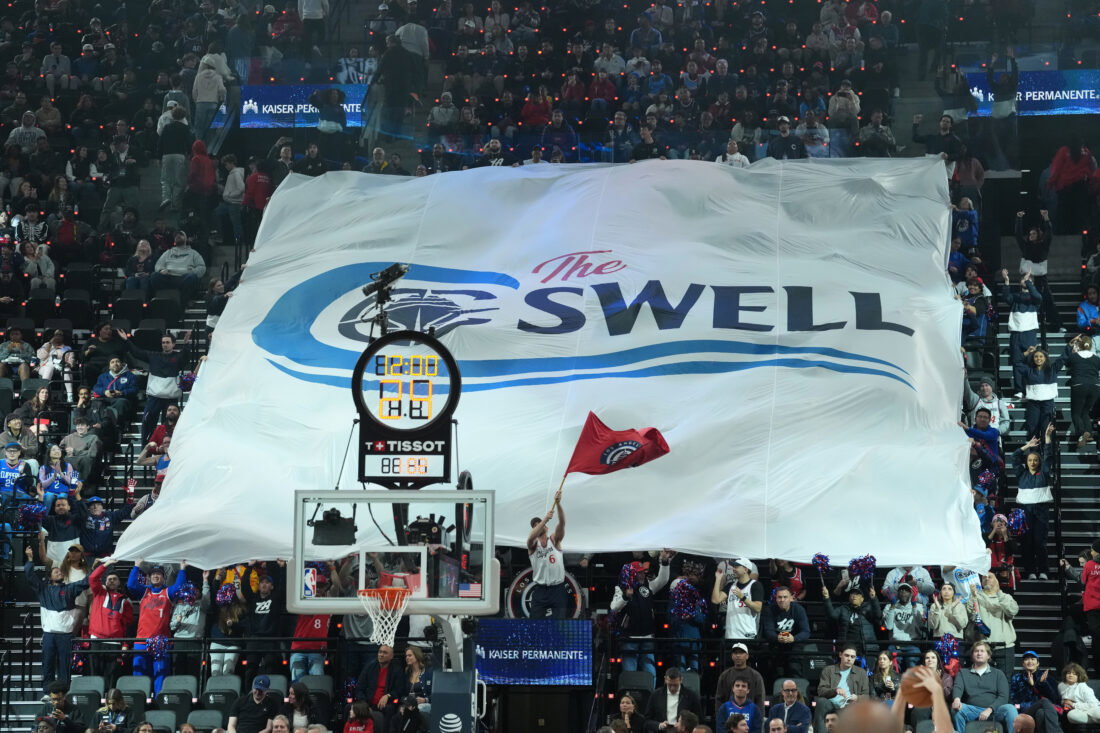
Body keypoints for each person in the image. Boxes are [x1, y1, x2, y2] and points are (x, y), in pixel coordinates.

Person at [24, 544, 90, 692]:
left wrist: (99, 567)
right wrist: (30, 559)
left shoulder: (69, 589)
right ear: (49, 577)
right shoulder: (43, 590)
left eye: (59, 571)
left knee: (64, 665)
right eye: (55, 571)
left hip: (66, 635)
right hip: (49, 635)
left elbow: (87, 582)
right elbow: (29, 576)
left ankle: (63, 692)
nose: (58, 572)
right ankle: (48, 691)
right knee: (47, 663)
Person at [611, 550, 672, 678]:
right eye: (639, 572)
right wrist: (625, 597)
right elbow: (614, 607)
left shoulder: (648, 586)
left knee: (650, 673)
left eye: (643, 572)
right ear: (631, 574)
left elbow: (663, 580)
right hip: (629, 639)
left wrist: (665, 563)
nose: (643, 574)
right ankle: (629, 696)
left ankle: (649, 695)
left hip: (647, 637)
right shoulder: (620, 588)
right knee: (630, 674)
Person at [117, 330, 184, 443]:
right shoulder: (154, 356)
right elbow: (136, 352)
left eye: (168, 342)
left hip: (171, 398)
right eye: (163, 342)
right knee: (148, 425)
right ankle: (146, 451)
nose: (165, 344)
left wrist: (186, 344)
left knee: (170, 427)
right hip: (155, 396)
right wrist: (126, 340)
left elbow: (187, 356)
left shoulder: (178, 357)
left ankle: (168, 453)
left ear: (173, 344)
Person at [1014, 424, 1055, 579]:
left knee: (1039, 542)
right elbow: (1014, 457)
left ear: (1038, 462)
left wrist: (1047, 438)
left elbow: (1049, 457)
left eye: (1035, 460)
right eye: (1030, 460)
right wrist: (1027, 446)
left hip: (1041, 511)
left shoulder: (1043, 474)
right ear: (1027, 462)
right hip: (1024, 511)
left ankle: (1043, 570)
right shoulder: (1021, 474)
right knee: (1027, 543)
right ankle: (1030, 570)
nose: (1032, 462)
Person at [951, 641, 1017, 732]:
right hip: (973, 710)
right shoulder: (963, 672)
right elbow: (958, 687)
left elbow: (1003, 697)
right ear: (972, 655)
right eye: (976, 651)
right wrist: (957, 699)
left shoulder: (998, 674)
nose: (979, 653)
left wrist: (990, 709)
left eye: (982, 651)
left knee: (1010, 709)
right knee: (957, 709)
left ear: (988, 656)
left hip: (994, 711)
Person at [86, 559, 134, 684]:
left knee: (112, 677)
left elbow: (127, 625)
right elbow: (92, 578)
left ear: (119, 583)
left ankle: (110, 702)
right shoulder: (99, 593)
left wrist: (125, 644)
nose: (112, 581)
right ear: (105, 582)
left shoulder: (125, 601)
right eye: (109, 579)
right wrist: (105, 565)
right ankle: (96, 702)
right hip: (97, 641)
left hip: (115, 643)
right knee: (95, 677)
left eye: (115, 579)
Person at [526, 487, 568, 618]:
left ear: (546, 528)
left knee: (559, 624)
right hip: (540, 590)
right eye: (535, 525)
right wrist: (544, 520)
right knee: (535, 625)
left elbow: (562, 523)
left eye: (540, 524)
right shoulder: (533, 545)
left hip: (558, 588)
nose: (538, 526)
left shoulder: (554, 540)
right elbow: (530, 538)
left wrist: (559, 504)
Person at [1014, 210, 1060, 331]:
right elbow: (1018, 235)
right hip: (1028, 277)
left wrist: (1046, 218)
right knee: (1027, 300)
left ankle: (1055, 325)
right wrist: (1019, 219)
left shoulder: (1043, 245)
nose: (1031, 235)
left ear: (1038, 234)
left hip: (1040, 277)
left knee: (1047, 300)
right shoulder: (1025, 246)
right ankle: (1027, 324)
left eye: (1033, 234)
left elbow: (1049, 233)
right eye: (1030, 234)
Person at [812, 646, 869, 733]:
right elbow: (821, 691)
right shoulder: (829, 670)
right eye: (847, 655)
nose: (849, 659)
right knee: (821, 702)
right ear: (840, 655)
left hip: (849, 704)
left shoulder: (861, 673)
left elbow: (866, 696)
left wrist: (857, 697)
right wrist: (835, 690)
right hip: (829, 703)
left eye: (852, 657)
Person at [760, 586, 810, 678]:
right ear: (776, 598)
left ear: (791, 598)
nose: (782, 600)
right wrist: (777, 638)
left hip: (794, 644)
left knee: (794, 667)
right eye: (779, 597)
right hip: (776, 644)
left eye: (785, 597)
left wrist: (793, 638)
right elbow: (768, 631)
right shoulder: (769, 610)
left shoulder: (799, 610)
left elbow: (806, 631)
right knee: (774, 669)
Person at [1016, 347, 1063, 440]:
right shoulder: (1028, 370)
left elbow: (1063, 359)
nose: (1038, 358)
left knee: (1047, 429)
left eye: (1041, 356)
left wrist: (1069, 346)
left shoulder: (1052, 369)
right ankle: (1034, 452)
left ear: (1045, 358)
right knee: (1032, 428)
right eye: (1036, 356)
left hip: (1048, 403)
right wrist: (1026, 353)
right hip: (1033, 404)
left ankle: (1047, 452)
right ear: (1032, 358)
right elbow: (1017, 363)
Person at [1062, 334, 1100, 450]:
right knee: (1085, 412)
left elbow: (1066, 364)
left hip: (1079, 385)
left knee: (1076, 413)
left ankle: (1081, 433)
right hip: (1095, 386)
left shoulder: (1074, 357)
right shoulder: (1097, 359)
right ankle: (1088, 432)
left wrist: (1073, 348)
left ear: (1079, 345)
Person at [1010, 651, 1060, 733]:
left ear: (1038, 663)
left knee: (1041, 714)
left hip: (1044, 709)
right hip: (1024, 709)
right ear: (1023, 664)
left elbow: (1054, 698)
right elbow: (1014, 701)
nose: (1030, 662)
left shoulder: (1045, 677)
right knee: (1044, 701)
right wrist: (1030, 686)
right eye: (1027, 659)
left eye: (1033, 659)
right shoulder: (1016, 678)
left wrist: (1042, 684)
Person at [822, 586, 880, 655]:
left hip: (867, 648)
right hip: (847, 648)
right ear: (849, 598)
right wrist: (826, 598)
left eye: (857, 594)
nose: (854, 596)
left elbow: (878, 616)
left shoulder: (868, 608)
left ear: (862, 599)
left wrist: (874, 599)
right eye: (852, 594)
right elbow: (832, 616)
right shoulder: (843, 608)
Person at [713, 643, 766, 718]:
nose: (738, 655)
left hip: (750, 716)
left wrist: (758, 718)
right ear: (732, 656)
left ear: (747, 656)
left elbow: (760, 699)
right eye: (735, 653)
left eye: (741, 653)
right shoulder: (725, 675)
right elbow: (719, 699)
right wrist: (720, 717)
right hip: (729, 718)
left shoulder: (755, 675)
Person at [151, 231, 206, 302]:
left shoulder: (193, 253)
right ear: (174, 240)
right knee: (154, 276)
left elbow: (202, 267)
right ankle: (164, 300)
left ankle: (182, 302)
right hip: (169, 277)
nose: (178, 236)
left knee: (192, 277)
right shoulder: (168, 252)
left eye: (181, 235)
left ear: (186, 239)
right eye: (176, 236)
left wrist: (193, 271)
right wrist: (161, 270)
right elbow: (158, 265)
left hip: (185, 278)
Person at [644, 668, 703, 733]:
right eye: (669, 685)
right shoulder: (655, 695)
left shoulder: (691, 696)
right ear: (665, 679)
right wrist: (659, 725)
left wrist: (683, 726)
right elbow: (647, 721)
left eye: (675, 685)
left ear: (681, 680)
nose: (672, 688)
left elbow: (698, 720)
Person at [883, 583, 925, 671]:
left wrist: (914, 605)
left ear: (911, 594)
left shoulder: (919, 606)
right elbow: (889, 627)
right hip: (895, 644)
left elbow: (920, 624)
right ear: (897, 593)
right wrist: (893, 606)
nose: (903, 592)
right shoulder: (889, 606)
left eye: (906, 590)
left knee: (912, 665)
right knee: (892, 668)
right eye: (901, 590)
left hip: (912, 644)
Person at [60, 418, 100, 482]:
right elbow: (60, 448)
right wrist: (66, 451)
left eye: (82, 425)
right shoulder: (69, 437)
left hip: (83, 462)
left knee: (86, 459)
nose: (80, 427)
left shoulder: (93, 438)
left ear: (88, 427)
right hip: (68, 460)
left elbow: (92, 453)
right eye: (78, 425)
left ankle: (80, 483)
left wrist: (75, 451)